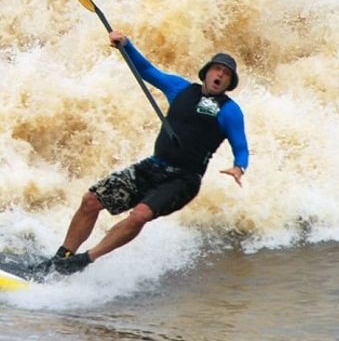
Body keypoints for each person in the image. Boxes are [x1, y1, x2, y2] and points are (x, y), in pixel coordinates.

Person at [35, 30, 250, 275]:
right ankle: (60, 259)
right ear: (207, 71)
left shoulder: (231, 111)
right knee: (91, 200)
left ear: (229, 83)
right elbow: (147, 71)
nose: (220, 74)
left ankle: (82, 261)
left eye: (226, 74)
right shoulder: (180, 88)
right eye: (217, 69)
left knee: (139, 215)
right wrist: (126, 45)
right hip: (154, 166)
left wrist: (239, 166)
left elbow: (241, 146)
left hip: (183, 180)